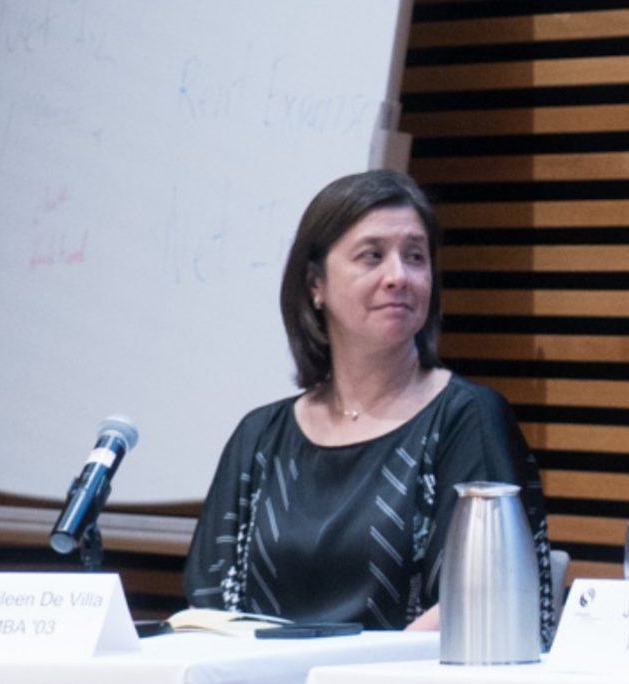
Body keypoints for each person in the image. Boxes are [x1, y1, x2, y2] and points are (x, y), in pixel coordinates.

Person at [183, 170, 552, 636]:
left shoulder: (466, 419)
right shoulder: (259, 438)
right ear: (315, 283)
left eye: (415, 257)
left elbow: (487, 599)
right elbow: (208, 607)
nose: (399, 276)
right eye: (372, 256)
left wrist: (338, 683)